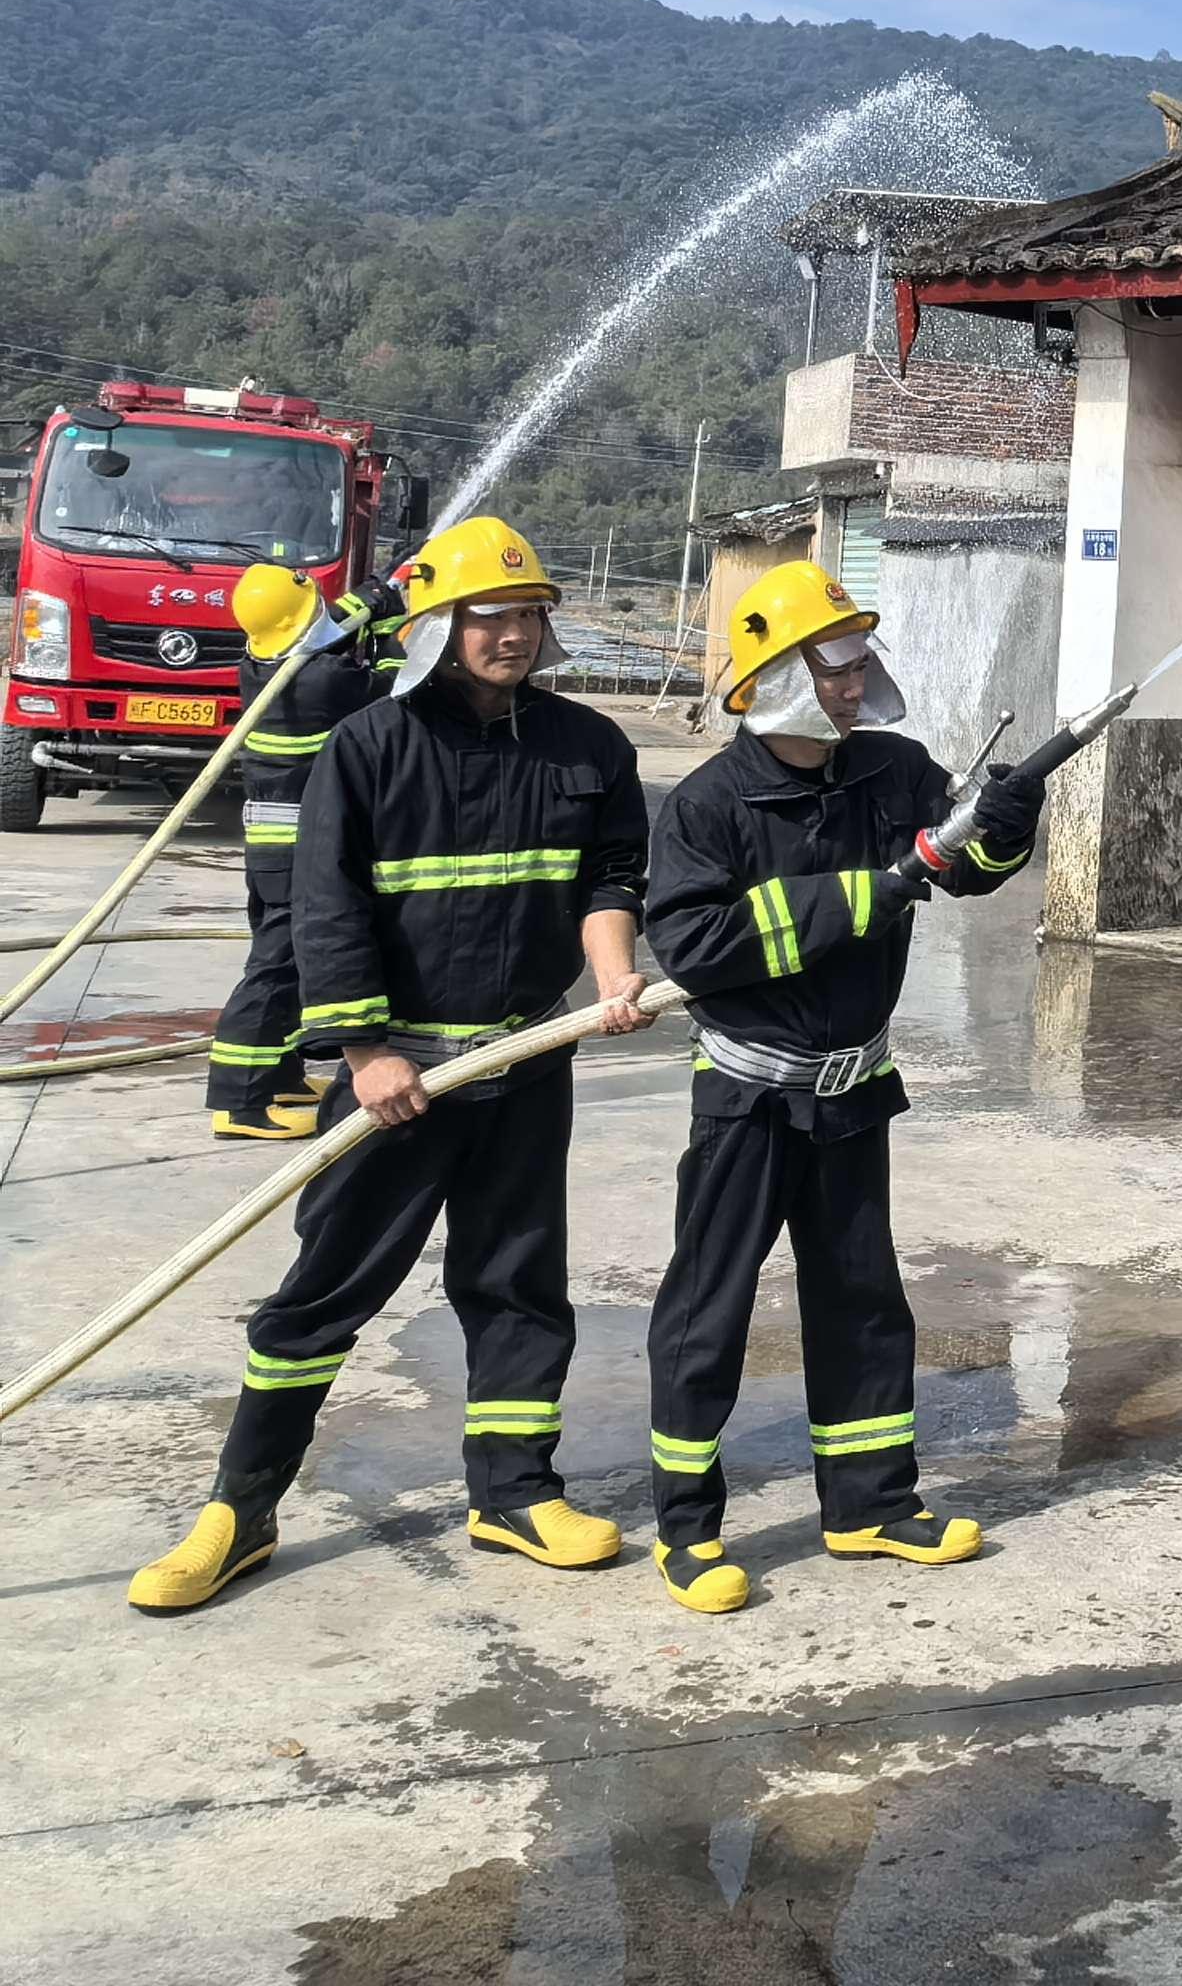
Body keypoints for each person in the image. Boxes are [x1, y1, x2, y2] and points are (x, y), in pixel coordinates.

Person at [127, 516, 652, 1616]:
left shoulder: (589, 746)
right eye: (488, 617)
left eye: (529, 615)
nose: (513, 635)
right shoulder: (369, 745)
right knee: (324, 1292)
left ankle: (514, 1493)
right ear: (436, 628)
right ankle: (240, 1509)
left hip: (522, 1066)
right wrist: (364, 1052)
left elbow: (611, 879)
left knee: (517, 1286)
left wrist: (612, 979)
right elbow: (325, 907)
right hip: (397, 1078)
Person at [637, 558, 1046, 1615]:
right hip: (749, 1099)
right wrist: (867, 892)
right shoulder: (709, 805)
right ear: (775, 676)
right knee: (709, 1307)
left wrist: (1005, 822)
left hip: (855, 1089)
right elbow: (695, 946)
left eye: (860, 663)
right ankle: (687, 1529)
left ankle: (870, 1505)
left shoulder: (892, 770)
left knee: (863, 1300)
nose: (853, 684)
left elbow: (960, 867)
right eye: (832, 668)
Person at [205, 563, 397, 1143]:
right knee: (278, 968)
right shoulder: (324, 682)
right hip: (297, 849)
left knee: (290, 962)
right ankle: (240, 1101)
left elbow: (320, 632)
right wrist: (387, 625)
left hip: (271, 846)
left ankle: (280, 1075)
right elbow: (396, 686)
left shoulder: (260, 662)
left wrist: (363, 601)